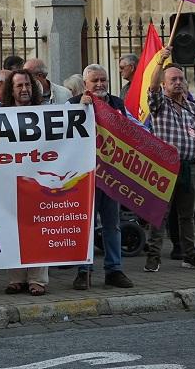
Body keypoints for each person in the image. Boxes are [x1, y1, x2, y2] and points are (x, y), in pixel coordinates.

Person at [68, 64, 135, 290]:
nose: (99, 84)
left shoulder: (117, 103)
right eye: (94, 80)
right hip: (84, 175)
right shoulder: (72, 104)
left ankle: (114, 270)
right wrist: (80, 109)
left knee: (112, 225)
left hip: (111, 175)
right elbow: (66, 136)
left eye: (103, 80)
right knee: (85, 224)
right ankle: (83, 271)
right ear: (85, 84)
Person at [145, 47, 195, 272]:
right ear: (164, 84)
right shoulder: (159, 105)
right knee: (158, 214)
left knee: (187, 215)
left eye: (180, 78)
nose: (178, 82)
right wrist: (160, 62)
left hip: (188, 167)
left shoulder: (193, 109)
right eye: (172, 80)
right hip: (164, 168)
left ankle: (190, 255)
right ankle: (153, 256)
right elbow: (151, 87)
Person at [0, 69, 49, 296]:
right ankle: (16, 278)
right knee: (12, 228)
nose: (24, 89)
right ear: (11, 90)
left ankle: (37, 279)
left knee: (37, 228)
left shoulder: (45, 113)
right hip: (10, 179)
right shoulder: (1, 115)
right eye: (19, 86)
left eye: (27, 85)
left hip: (37, 179)